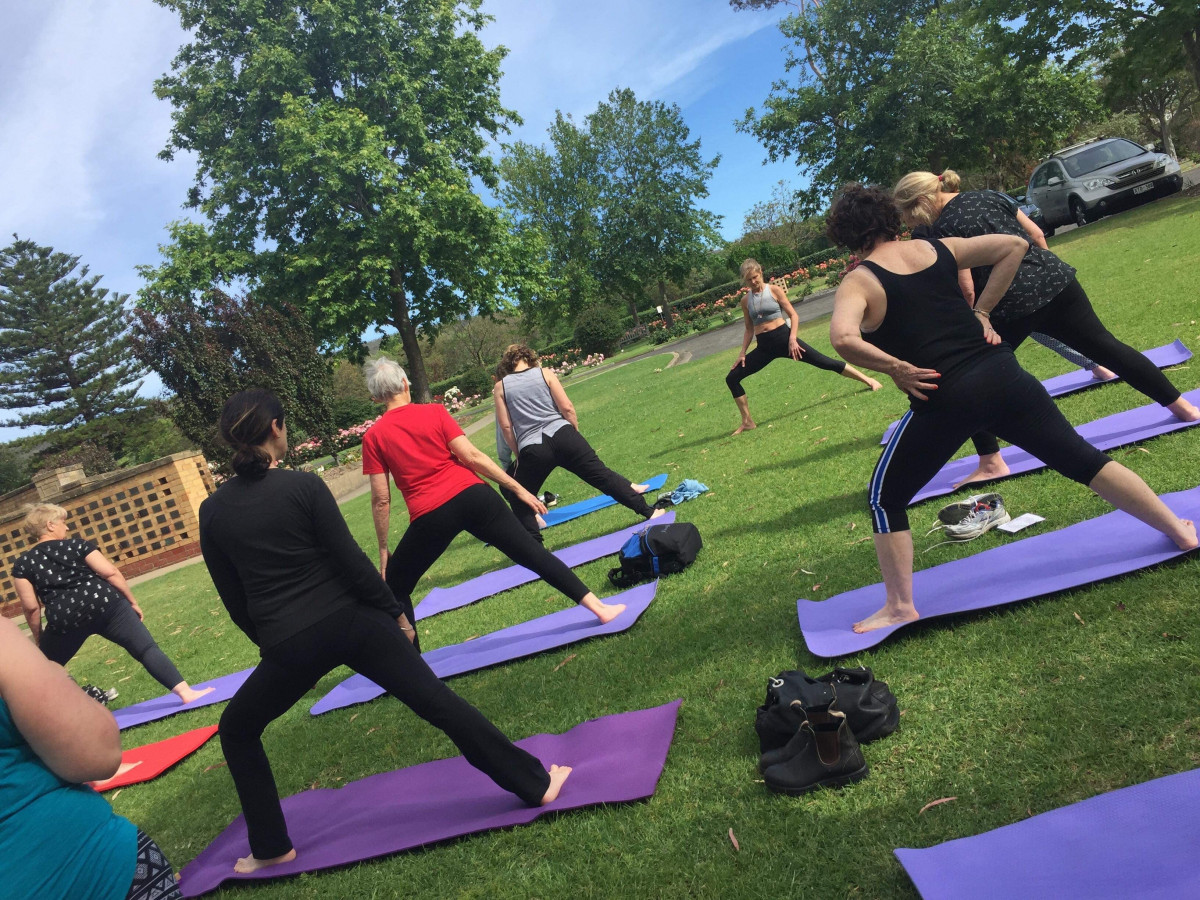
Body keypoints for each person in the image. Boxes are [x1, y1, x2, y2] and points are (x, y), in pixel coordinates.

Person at [199, 389, 572, 876]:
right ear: (276, 428)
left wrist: (280, 651)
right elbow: (351, 563)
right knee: (437, 702)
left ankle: (270, 846)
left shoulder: (213, 511)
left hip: (289, 640)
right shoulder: (303, 488)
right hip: (355, 623)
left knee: (237, 730)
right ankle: (534, 783)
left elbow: (236, 603)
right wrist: (395, 614)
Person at [825, 184, 1197, 634]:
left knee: (885, 499)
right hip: (1004, 376)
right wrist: (982, 312)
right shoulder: (933, 247)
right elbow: (1014, 245)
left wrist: (898, 368)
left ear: (846, 236)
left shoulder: (859, 280)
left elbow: (844, 338)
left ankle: (901, 606)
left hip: (945, 399)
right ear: (891, 218)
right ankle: (1177, 530)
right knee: (1083, 459)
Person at [893, 169, 1198, 487]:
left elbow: (967, 287)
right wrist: (1044, 276)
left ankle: (991, 462)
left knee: (970, 374)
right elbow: (1037, 235)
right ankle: (1184, 408)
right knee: (1108, 347)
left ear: (923, 201)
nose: (912, 223)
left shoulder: (943, 228)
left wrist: (978, 314)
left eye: (909, 215)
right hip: (1056, 281)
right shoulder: (990, 195)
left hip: (1007, 305)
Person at [363, 357, 626, 634]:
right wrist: (519, 488)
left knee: (394, 587)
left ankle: (413, 667)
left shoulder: (374, 437)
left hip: (431, 515)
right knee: (532, 554)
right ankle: (600, 608)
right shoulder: (435, 412)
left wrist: (383, 549)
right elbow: (472, 457)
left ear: (377, 398)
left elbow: (381, 499)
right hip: (474, 497)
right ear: (405, 384)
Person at [0, 614, 183, 899]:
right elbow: (98, 754)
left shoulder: (26, 567)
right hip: (91, 872)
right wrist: (57, 677)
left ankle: (187, 692)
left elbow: (32, 607)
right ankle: (187, 691)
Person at [11, 504, 212, 706]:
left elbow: (31, 607)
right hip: (106, 605)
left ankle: (40, 719)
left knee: (44, 669)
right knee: (145, 649)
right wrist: (131, 601)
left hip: (66, 618)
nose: (67, 527)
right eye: (63, 522)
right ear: (50, 525)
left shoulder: (23, 563)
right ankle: (186, 693)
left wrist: (39, 637)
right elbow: (110, 573)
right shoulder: (78, 545)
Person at [493, 343, 666, 542]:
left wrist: (519, 453)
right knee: (602, 476)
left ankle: (535, 548)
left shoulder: (500, 387)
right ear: (529, 358)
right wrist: (573, 434)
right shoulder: (545, 373)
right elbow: (567, 408)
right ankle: (649, 512)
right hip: (565, 435)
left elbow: (506, 428)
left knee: (519, 496)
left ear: (508, 363)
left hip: (532, 448)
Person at [727, 258, 881, 435]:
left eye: (755, 277)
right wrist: (742, 353)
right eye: (749, 280)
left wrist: (792, 339)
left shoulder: (774, 290)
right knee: (732, 378)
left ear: (760, 272)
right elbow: (748, 329)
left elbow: (794, 315)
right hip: (764, 347)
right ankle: (747, 422)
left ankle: (869, 380)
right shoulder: (745, 301)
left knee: (824, 362)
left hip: (785, 340)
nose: (753, 282)